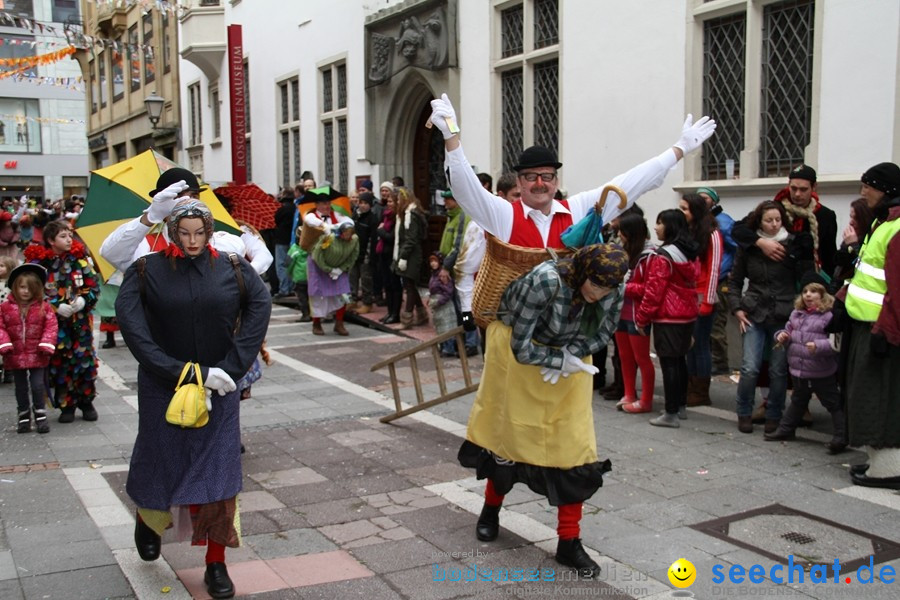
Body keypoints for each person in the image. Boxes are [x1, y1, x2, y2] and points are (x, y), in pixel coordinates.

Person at [115, 199, 271, 599]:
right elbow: (134, 331)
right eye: (184, 233)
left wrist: (233, 367)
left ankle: (216, 562)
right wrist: (178, 371)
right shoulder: (146, 270)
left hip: (219, 388)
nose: (193, 241)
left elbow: (260, 304)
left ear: (209, 229)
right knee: (159, 459)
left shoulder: (231, 267)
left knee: (220, 474)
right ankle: (149, 520)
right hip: (162, 385)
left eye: (200, 232)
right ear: (171, 231)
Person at [458, 244, 628, 578]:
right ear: (582, 273)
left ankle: (569, 542)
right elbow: (520, 346)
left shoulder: (613, 285)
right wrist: (556, 360)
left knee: (574, 449)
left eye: (609, 288)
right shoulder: (545, 281)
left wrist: (573, 356)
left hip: (570, 360)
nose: (601, 293)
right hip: (518, 358)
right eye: (596, 285)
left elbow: (606, 330)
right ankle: (490, 510)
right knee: (506, 442)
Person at [727, 200, 814, 434]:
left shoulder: (792, 244)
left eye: (778, 220)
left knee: (778, 370)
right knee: (749, 367)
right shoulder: (749, 246)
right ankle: (744, 412)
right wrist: (737, 308)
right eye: (769, 220)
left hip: (783, 314)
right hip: (754, 311)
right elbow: (735, 281)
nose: (774, 225)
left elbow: (805, 278)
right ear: (760, 222)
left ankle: (774, 414)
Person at [841, 162, 900, 489]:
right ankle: (879, 463)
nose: (863, 192)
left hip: (881, 328)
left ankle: (890, 469)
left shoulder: (896, 225)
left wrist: (886, 331)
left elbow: (897, 287)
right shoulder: (885, 222)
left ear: (887, 188)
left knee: (881, 398)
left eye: (869, 185)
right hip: (869, 324)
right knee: (868, 395)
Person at [25, 220, 100, 423]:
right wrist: (55, 306)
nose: (69, 240)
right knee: (60, 362)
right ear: (50, 240)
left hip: (80, 322)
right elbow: (33, 293)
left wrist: (85, 300)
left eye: (69, 235)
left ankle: (86, 401)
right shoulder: (41, 265)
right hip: (55, 325)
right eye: (63, 236)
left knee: (84, 360)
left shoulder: (80, 260)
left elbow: (93, 287)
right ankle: (67, 404)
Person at [765, 275, 845, 453]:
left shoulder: (829, 316)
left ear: (823, 295)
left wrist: (818, 346)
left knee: (832, 403)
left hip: (820, 370)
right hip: (798, 368)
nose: (808, 295)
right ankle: (786, 429)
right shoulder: (796, 314)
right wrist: (781, 336)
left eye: (813, 291)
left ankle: (841, 435)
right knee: (798, 400)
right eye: (805, 291)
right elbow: (787, 330)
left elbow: (835, 343)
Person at [635, 210, 700, 427]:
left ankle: (670, 413)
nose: (656, 227)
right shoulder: (689, 251)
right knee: (680, 361)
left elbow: (654, 291)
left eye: (660, 223)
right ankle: (679, 406)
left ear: (670, 226)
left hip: (668, 316)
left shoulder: (663, 256)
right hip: (687, 314)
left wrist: (642, 318)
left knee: (669, 363)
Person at [731, 164, 837, 276]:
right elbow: (738, 230)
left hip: (809, 279)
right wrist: (761, 243)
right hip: (776, 277)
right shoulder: (776, 208)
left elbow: (829, 256)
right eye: (793, 188)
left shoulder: (826, 216)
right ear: (788, 185)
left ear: (814, 187)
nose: (797, 194)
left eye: (803, 190)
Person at [0, 264, 57, 434]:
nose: (25, 291)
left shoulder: (43, 307)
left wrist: (46, 343)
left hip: (37, 354)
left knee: (37, 384)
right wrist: (4, 343)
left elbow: (51, 326)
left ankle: (40, 414)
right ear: (15, 287)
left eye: (29, 288)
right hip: (15, 354)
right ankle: (23, 415)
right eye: (22, 287)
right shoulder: (5, 308)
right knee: (20, 387)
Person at [679, 193, 723, 406]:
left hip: (703, 294)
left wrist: (707, 300)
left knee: (701, 344)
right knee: (689, 343)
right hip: (687, 295)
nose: (682, 212)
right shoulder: (686, 232)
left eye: (685, 208)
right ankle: (690, 385)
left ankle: (701, 391)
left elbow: (715, 268)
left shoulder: (712, 233)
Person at [616, 212, 656, 414]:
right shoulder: (623, 252)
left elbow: (649, 288)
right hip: (620, 312)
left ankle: (646, 400)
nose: (619, 234)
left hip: (638, 314)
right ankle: (629, 393)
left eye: (622, 231)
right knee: (624, 356)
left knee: (642, 358)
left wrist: (623, 287)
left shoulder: (650, 256)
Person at [697, 186, 736, 375]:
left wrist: (732, 270)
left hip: (720, 280)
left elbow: (738, 247)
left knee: (717, 324)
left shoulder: (723, 222)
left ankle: (720, 362)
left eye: (705, 199)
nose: (702, 202)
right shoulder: (699, 222)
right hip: (702, 281)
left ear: (714, 201)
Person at [304, 193, 354, 335]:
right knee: (316, 293)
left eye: (328, 203)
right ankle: (316, 324)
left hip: (338, 259)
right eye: (323, 204)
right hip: (316, 259)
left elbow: (350, 223)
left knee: (342, 291)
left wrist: (338, 226)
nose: (326, 206)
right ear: (317, 205)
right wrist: (325, 226)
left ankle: (339, 323)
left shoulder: (336, 215)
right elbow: (309, 220)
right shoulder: (311, 216)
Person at [309, 221, 359, 336]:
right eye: (346, 233)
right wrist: (328, 269)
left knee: (343, 295)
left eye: (350, 234)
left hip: (340, 269)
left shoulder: (354, 240)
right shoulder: (328, 238)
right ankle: (316, 323)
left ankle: (339, 323)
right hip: (320, 267)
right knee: (318, 296)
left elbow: (353, 255)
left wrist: (342, 269)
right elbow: (317, 254)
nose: (348, 236)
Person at [392, 187, 429, 329]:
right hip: (408, 253)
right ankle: (422, 314)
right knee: (410, 285)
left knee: (410, 286)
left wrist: (403, 257)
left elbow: (411, 239)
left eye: (399, 199)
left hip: (411, 255)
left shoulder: (411, 215)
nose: (398, 202)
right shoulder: (405, 213)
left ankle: (407, 319)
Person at [375, 193, 402, 324]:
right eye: (388, 202)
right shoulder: (385, 216)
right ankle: (389, 312)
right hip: (383, 253)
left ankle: (395, 314)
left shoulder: (398, 218)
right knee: (387, 284)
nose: (389, 204)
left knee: (394, 285)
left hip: (392, 254)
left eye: (392, 202)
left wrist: (380, 231)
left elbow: (391, 237)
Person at [350, 192, 379, 313]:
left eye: (365, 203)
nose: (362, 205)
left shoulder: (372, 219)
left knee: (366, 279)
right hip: (353, 252)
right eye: (361, 202)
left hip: (366, 254)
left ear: (370, 205)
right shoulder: (355, 216)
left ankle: (367, 302)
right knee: (352, 277)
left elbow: (372, 240)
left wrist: (370, 256)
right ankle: (352, 300)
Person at [427, 251, 458, 355]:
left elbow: (448, 291)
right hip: (437, 306)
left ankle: (449, 348)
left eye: (435, 261)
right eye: (431, 261)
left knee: (447, 327)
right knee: (440, 326)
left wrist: (439, 301)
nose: (433, 263)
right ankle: (443, 346)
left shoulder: (442, 274)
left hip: (444, 306)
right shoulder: (434, 274)